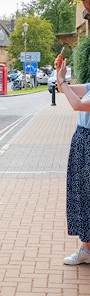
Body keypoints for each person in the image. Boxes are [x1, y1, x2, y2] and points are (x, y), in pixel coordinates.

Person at [56, 55, 90, 264]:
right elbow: (65, 91)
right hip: (82, 140)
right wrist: (61, 74)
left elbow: (77, 104)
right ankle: (86, 248)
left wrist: (62, 81)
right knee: (82, 194)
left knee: (87, 194)